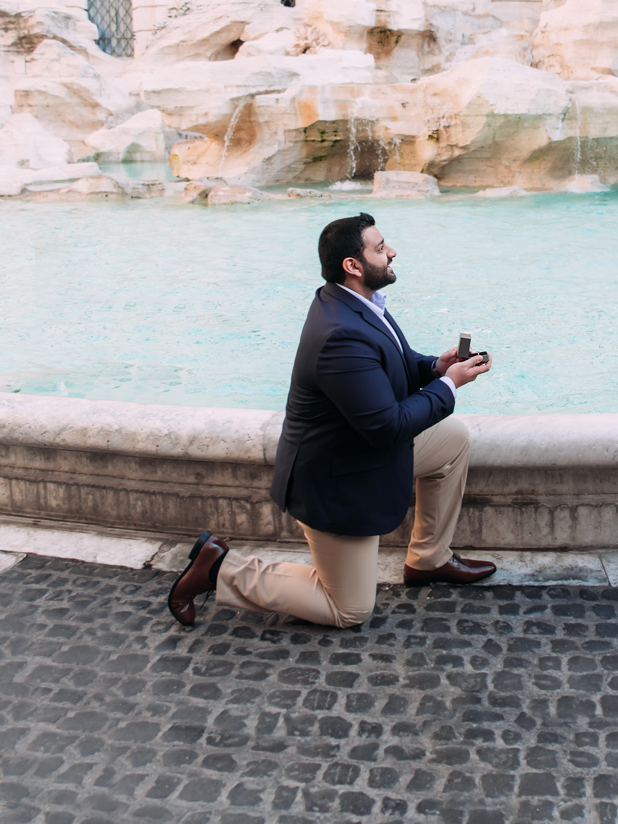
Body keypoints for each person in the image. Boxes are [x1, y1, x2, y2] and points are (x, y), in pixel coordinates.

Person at [167, 212, 496, 631]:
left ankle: (428, 560)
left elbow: (389, 365)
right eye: (380, 248)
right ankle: (220, 570)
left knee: (451, 438)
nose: (391, 251)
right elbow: (387, 426)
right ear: (353, 266)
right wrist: (449, 385)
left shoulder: (354, 302)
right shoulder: (340, 333)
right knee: (349, 609)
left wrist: (434, 366)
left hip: (355, 452)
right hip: (336, 480)